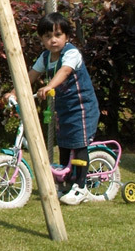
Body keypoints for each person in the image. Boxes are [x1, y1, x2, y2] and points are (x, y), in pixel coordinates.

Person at [17, 11, 101, 205]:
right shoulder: (45, 57)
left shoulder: (72, 53)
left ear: (67, 37)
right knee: (64, 144)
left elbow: (65, 71)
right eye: (47, 36)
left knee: (78, 144)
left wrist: (49, 86)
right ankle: (66, 183)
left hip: (82, 108)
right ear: (41, 39)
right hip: (64, 109)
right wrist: (14, 92)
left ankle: (80, 187)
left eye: (58, 35)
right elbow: (30, 76)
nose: (53, 40)